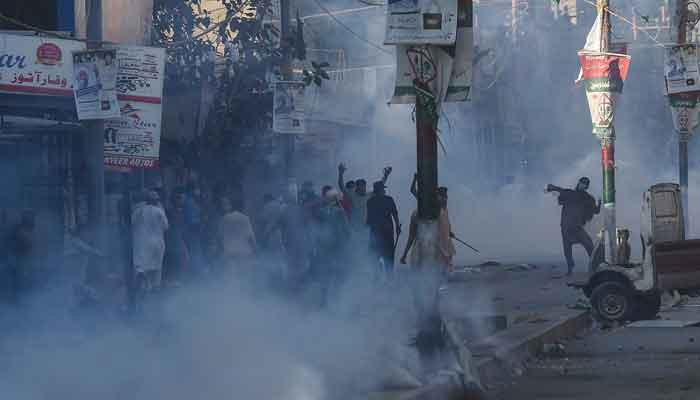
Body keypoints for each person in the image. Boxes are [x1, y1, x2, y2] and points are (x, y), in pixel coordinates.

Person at [546, 177, 601, 276]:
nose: (582, 185)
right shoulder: (569, 193)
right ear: (578, 183)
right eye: (581, 183)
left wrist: (600, 202)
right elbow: (559, 191)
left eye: (585, 184)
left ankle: (595, 266)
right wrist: (551, 188)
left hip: (577, 227)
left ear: (587, 187)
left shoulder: (588, 198)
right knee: (567, 248)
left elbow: (596, 211)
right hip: (566, 227)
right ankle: (570, 268)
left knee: (589, 245)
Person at [315, 189, 350, 307]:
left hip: (325, 247)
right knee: (338, 273)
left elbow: (316, 231)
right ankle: (335, 298)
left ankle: (324, 300)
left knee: (326, 273)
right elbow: (346, 229)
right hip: (337, 246)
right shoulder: (339, 211)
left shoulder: (321, 212)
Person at [131, 189, 169, 291]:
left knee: (142, 266)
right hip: (158, 243)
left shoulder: (139, 210)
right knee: (157, 268)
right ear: (156, 201)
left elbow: (132, 223)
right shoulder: (159, 211)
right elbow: (166, 226)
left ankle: (143, 283)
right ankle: (155, 288)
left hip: (143, 243)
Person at [217, 197, 257, 282]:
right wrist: (255, 250)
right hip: (244, 253)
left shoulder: (224, 219)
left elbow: (220, 238)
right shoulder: (245, 218)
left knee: (232, 280)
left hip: (230, 253)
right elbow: (251, 237)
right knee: (245, 278)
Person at [366, 180, 401, 279]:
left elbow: (368, 220)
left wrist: (398, 226)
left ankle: (377, 278)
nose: (384, 191)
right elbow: (395, 214)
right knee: (388, 258)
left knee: (375, 258)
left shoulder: (370, 201)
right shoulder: (388, 199)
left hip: (376, 233)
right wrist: (398, 226)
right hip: (386, 233)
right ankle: (388, 278)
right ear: (380, 190)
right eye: (383, 189)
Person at [5, 210, 36, 303]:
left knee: (18, 277)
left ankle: (16, 297)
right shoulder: (20, 230)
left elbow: (26, 245)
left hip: (17, 257)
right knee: (16, 277)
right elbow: (21, 244)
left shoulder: (21, 229)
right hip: (15, 257)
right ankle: (15, 298)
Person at [164, 188, 189, 286]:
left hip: (174, 245)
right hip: (173, 245)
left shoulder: (172, 212)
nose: (182, 200)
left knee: (174, 272)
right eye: (180, 198)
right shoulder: (172, 212)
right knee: (174, 272)